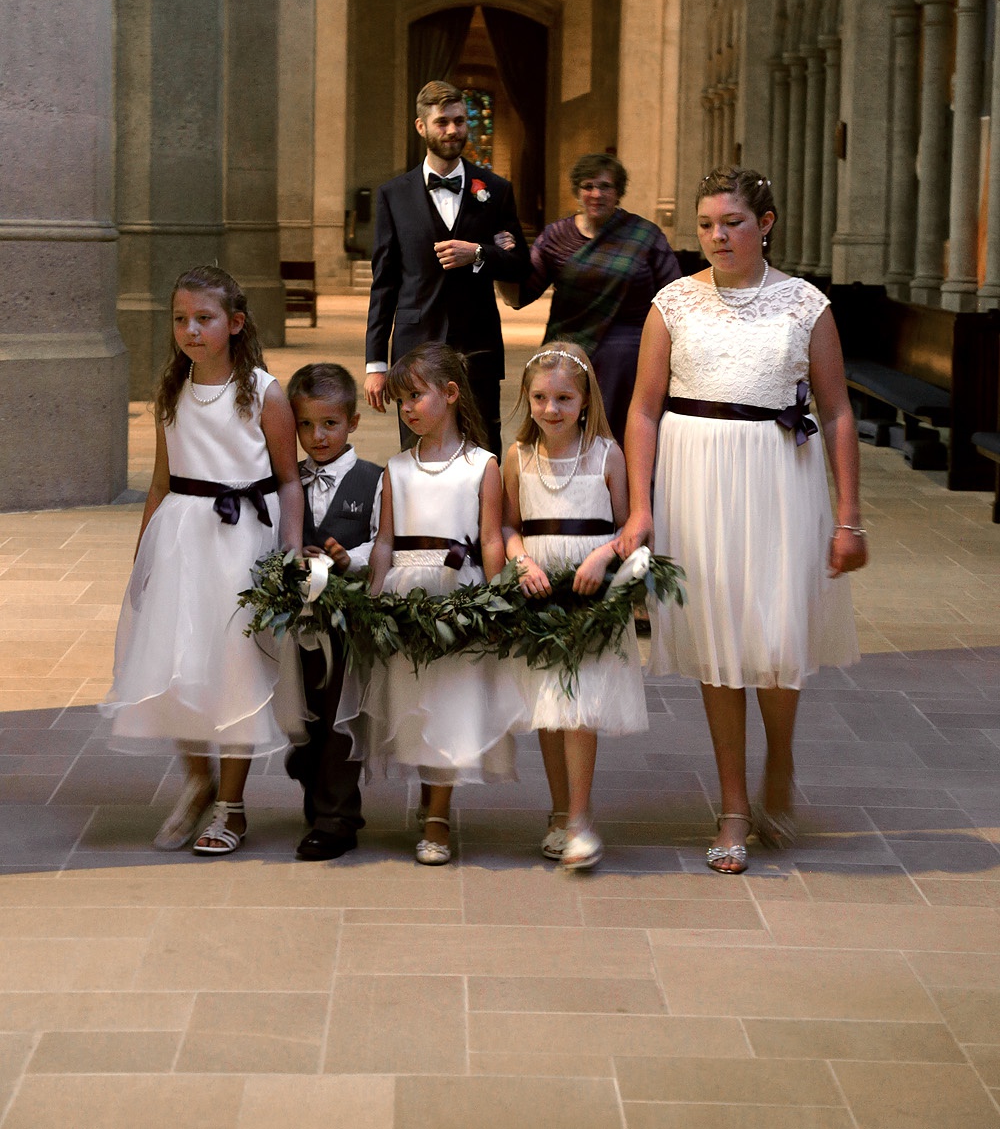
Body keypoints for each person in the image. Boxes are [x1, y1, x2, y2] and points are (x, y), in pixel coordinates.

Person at [619, 167, 866, 875]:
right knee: (718, 638)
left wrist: (849, 517)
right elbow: (642, 409)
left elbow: (839, 411)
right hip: (696, 479)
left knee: (777, 633)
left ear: (766, 223)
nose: (716, 235)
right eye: (705, 224)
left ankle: (780, 759)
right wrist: (641, 507)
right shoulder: (672, 303)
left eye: (730, 221)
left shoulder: (805, 304)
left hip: (778, 478)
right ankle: (732, 802)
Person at [102, 266, 303, 855]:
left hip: (243, 544)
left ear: (235, 324)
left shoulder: (264, 392)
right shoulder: (171, 391)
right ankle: (197, 778)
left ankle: (231, 807)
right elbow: (161, 483)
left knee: (236, 665)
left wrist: (289, 553)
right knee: (174, 658)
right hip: (181, 538)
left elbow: (290, 481)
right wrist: (143, 555)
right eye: (180, 319)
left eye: (204, 319)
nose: (190, 330)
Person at [341, 343, 524, 865]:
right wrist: (373, 600)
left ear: (449, 393)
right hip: (405, 594)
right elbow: (383, 541)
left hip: (458, 595)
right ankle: (428, 797)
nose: (407, 409)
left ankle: (439, 814)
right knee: (414, 701)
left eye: (416, 397)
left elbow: (491, 539)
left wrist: (495, 604)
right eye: (401, 401)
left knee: (450, 700)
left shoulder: (481, 465)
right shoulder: (395, 469)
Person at [502, 342, 647, 871]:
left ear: (585, 401)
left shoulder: (607, 455)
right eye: (540, 397)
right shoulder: (518, 457)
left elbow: (629, 527)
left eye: (564, 397)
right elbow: (508, 526)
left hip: (590, 596)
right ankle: (559, 812)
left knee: (579, 709)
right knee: (550, 709)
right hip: (541, 592)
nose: (551, 408)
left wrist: (603, 555)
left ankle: (581, 820)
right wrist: (520, 562)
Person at [364, 80, 532, 457]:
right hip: (415, 344)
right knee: (417, 446)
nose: (453, 130)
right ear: (421, 127)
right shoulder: (393, 195)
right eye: (442, 122)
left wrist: (479, 253)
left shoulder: (496, 190)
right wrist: (376, 362)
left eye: (459, 120)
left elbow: (520, 264)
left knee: (483, 446)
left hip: (478, 345)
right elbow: (384, 283)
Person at [512, 153, 681, 445]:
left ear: (618, 192)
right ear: (577, 190)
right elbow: (522, 293)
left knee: (622, 437)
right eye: (588, 186)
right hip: (570, 354)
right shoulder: (556, 236)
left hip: (631, 360)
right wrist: (503, 260)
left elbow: (675, 298)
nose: (596, 194)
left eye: (605, 187)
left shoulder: (644, 235)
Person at [285, 363, 382, 861]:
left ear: (353, 423)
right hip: (294, 624)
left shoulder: (374, 480)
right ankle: (311, 781)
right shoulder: (287, 482)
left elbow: (381, 542)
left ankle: (337, 818)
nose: (316, 436)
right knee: (304, 720)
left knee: (339, 718)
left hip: (346, 623)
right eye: (304, 425)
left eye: (329, 424)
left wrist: (352, 558)